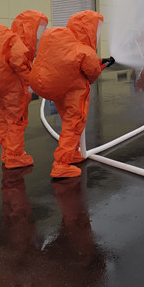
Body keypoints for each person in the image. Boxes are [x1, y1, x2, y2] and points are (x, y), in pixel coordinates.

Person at [29, 10, 114, 178]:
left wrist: (99, 62)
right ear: (88, 29)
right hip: (72, 90)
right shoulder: (84, 50)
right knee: (74, 123)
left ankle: (72, 152)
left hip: (54, 87)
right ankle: (61, 164)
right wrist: (101, 65)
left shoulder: (62, 41)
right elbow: (91, 74)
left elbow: (69, 60)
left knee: (67, 120)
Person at [0, 10, 48, 169]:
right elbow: (20, 64)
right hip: (15, 89)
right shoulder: (17, 44)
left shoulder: (9, 41)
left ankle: (7, 153)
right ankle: (15, 157)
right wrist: (32, 82)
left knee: (5, 121)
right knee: (16, 122)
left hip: (4, 88)